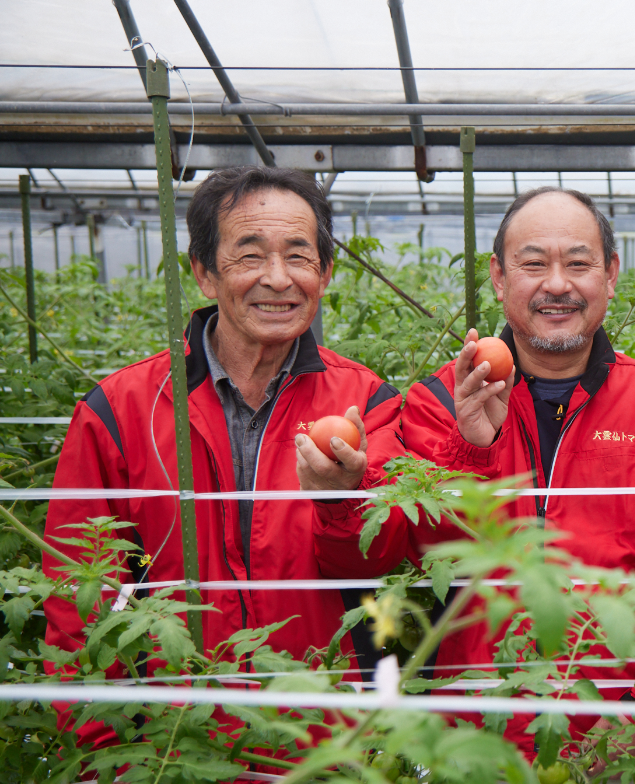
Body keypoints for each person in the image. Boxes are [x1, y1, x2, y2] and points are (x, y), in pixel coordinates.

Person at [311, 186, 635, 692]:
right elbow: (415, 556)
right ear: (498, 277)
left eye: (579, 264)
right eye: (533, 264)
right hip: (478, 716)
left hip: (611, 723)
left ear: (611, 275)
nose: (557, 284)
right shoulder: (438, 403)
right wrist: (473, 446)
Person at [43, 166, 403, 703]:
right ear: (205, 273)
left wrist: (342, 503)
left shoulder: (366, 404)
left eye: (299, 256)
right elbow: (80, 598)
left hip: (326, 733)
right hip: (172, 738)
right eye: (250, 255)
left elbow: (380, 563)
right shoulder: (120, 411)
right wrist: (101, 754)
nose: (278, 278)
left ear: (324, 274)